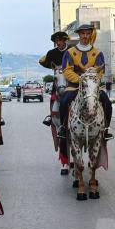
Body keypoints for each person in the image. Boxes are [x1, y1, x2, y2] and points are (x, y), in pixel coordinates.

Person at [57, 24, 113, 142]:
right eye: (83, 33)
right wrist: (80, 80)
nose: (85, 36)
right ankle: (62, 127)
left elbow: (100, 71)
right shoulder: (70, 52)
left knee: (107, 102)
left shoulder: (98, 53)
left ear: (90, 35)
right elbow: (67, 70)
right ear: (79, 34)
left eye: (88, 33)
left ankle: (106, 129)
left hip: (93, 86)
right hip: (74, 86)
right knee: (64, 101)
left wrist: (90, 80)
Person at [40, 31, 72, 174]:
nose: (58, 43)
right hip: (58, 83)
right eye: (56, 41)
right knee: (54, 103)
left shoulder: (72, 52)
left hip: (71, 82)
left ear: (65, 40)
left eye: (61, 40)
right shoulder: (52, 53)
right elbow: (42, 61)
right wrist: (54, 67)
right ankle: (52, 120)